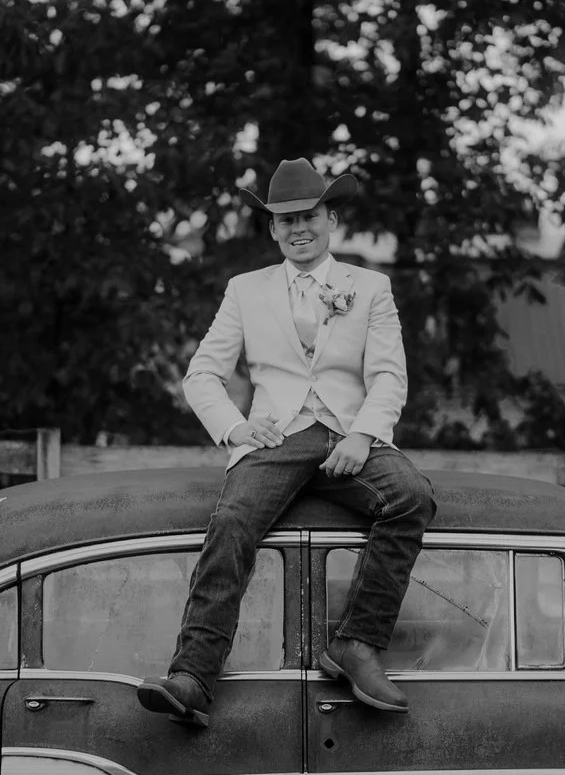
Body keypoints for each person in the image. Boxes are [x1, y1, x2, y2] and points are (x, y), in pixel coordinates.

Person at [136, 158, 436, 728]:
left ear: (331, 219)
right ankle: (194, 676)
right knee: (231, 523)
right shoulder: (245, 290)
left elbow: (389, 377)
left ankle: (357, 645)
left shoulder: (369, 287)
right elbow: (201, 374)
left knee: (412, 498)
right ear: (272, 229)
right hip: (276, 437)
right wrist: (236, 428)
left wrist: (363, 435)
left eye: (310, 216)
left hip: (352, 435)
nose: (299, 228)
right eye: (286, 220)